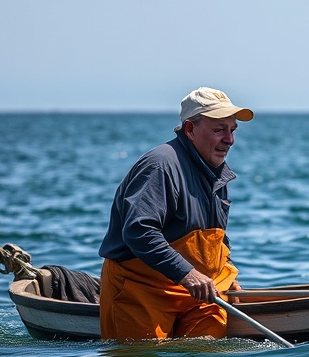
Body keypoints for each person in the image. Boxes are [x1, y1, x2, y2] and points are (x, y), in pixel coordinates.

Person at [98, 88, 253, 340]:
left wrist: (226, 270)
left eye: (232, 130)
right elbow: (138, 231)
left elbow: (214, 238)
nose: (229, 140)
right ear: (190, 129)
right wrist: (187, 273)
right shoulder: (160, 165)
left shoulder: (217, 172)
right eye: (219, 130)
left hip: (199, 294)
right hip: (141, 292)